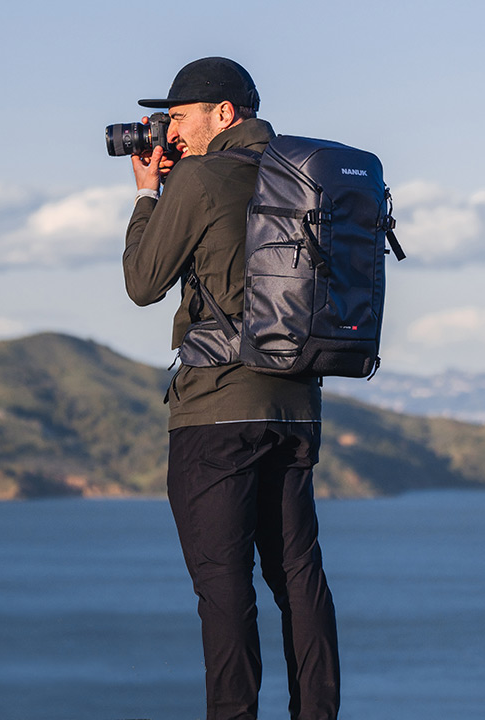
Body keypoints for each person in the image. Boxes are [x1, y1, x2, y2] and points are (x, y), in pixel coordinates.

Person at [121, 57, 340, 720]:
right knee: (299, 579)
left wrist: (145, 195)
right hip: (296, 409)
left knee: (223, 587)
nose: (170, 132)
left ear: (225, 113)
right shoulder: (300, 173)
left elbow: (142, 281)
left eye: (179, 117)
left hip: (216, 413)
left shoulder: (200, 177)